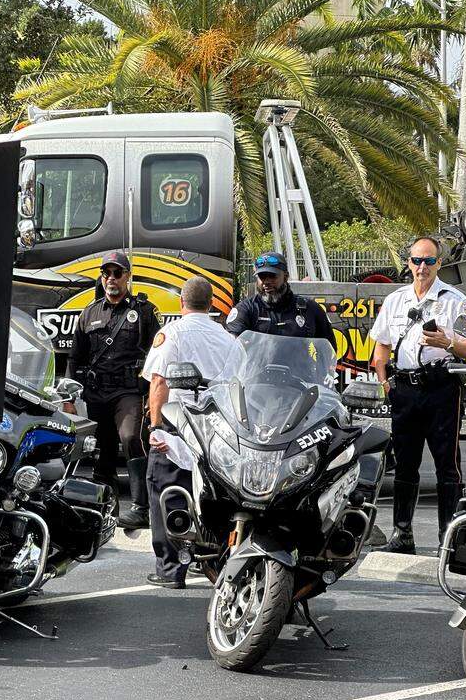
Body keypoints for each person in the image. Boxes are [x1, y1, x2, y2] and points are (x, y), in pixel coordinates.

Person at [369, 235, 466, 553]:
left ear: (439, 263)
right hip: (404, 390)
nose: (422, 267)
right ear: (409, 263)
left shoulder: (455, 300)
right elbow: (381, 347)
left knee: (447, 465)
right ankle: (402, 536)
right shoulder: (396, 300)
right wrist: (385, 383)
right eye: (417, 260)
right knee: (405, 463)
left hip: (441, 388)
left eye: (429, 261)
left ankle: (448, 540)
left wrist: (448, 343)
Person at [141, 276, 243, 588]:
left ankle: (171, 570)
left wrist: (155, 427)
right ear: (211, 304)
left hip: (177, 424)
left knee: (167, 492)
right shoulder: (229, 340)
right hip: (218, 429)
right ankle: (214, 562)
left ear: (181, 302)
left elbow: (159, 381)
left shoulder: (171, 333)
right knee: (214, 497)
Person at [67, 249, 160, 529]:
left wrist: (153, 394)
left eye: (117, 273)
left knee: (131, 437)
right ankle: (106, 510)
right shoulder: (89, 312)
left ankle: (141, 508)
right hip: (97, 392)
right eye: (106, 273)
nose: (111, 278)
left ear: (127, 276)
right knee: (101, 449)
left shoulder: (143, 312)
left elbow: (158, 354)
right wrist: (68, 397)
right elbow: (75, 357)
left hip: (128, 391)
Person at [225, 250, 333, 342]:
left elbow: (329, 349)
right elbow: (232, 345)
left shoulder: (310, 309)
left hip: (297, 362)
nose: (266, 282)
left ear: (286, 277)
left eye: (272, 276)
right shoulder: (246, 309)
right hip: (258, 362)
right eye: (262, 276)